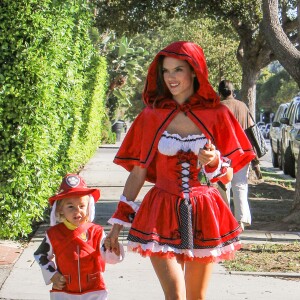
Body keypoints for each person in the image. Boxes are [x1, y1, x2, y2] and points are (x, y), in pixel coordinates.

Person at [105, 41, 255, 300]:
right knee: (174, 295)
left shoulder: (217, 114)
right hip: (161, 211)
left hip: (204, 211)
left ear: (194, 71)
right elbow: (138, 173)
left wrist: (212, 162)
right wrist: (117, 226)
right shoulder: (151, 116)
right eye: (166, 71)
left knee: (196, 297)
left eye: (178, 70)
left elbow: (227, 177)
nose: (171, 77)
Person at [34, 173, 124, 300]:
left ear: (89, 207)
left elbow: (109, 257)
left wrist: (113, 248)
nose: (77, 211)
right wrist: (52, 275)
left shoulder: (97, 231)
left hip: (94, 290)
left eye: (82, 206)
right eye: (70, 206)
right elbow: (41, 255)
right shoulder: (53, 234)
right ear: (60, 209)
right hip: (65, 291)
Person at [218, 79, 261, 230]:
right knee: (240, 185)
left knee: (223, 185)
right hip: (242, 153)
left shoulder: (217, 108)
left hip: (222, 153)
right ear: (232, 91)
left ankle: (225, 220)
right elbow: (251, 132)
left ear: (220, 93)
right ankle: (241, 220)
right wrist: (255, 159)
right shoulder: (242, 106)